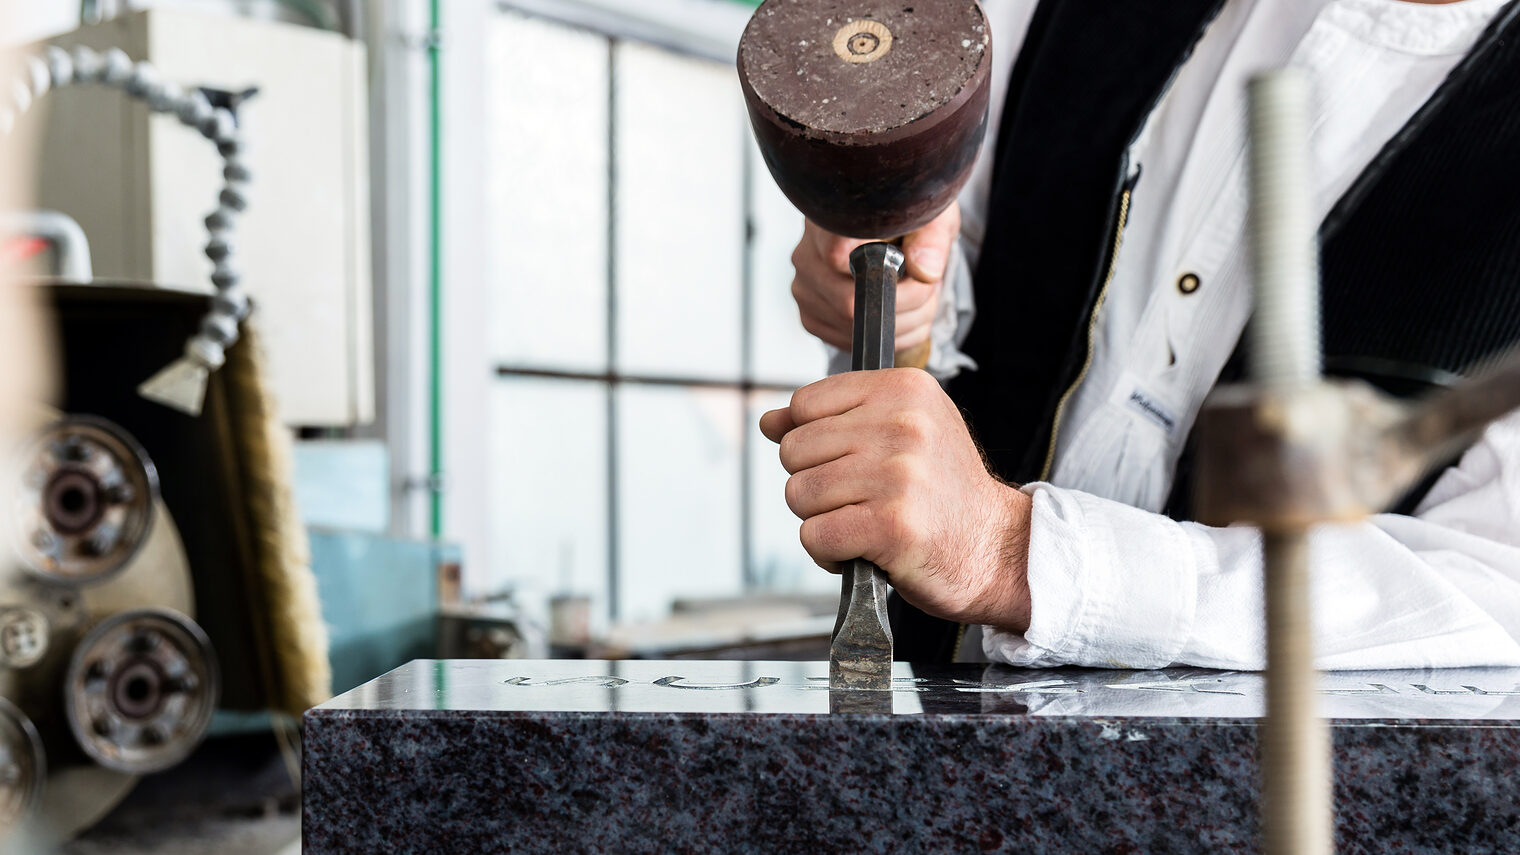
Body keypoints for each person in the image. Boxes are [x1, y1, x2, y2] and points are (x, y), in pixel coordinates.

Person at [761, 0, 1520, 669]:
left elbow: (1491, 591)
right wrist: (899, 296)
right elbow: (954, 237)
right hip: (921, 721)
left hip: (1256, 801)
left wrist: (1018, 555)